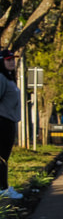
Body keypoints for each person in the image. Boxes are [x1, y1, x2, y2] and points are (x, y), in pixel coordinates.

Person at [0, 51, 23, 200]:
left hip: (9, 122)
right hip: (2, 122)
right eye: (8, 60)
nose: (12, 63)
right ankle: (3, 189)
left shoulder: (9, 78)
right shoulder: (1, 78)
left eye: (13, 60)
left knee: (4, 157)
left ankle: (4, 187)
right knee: (1, 157)